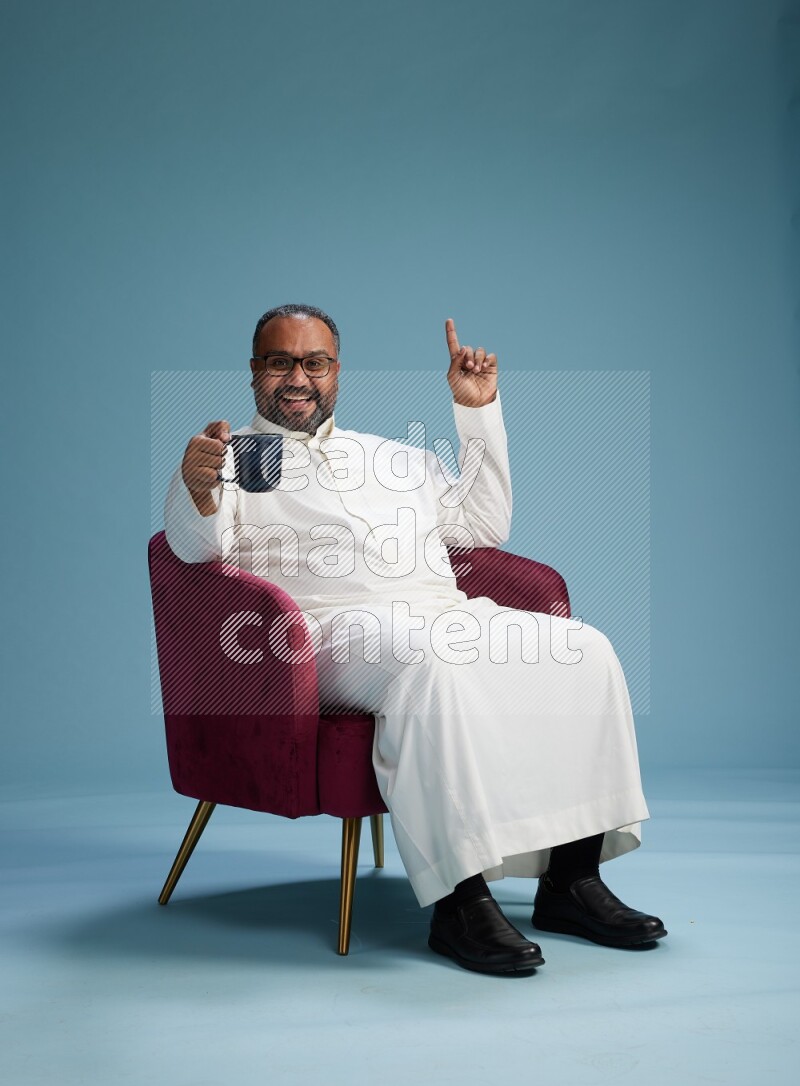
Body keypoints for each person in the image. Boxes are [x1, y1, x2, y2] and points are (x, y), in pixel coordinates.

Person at [164, 302, 667, 976]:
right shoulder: (235, 461)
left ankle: (571, 880)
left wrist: (478, 412)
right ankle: (460, 902)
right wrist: (197, 487)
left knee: (583, 650)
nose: (297, 377)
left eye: (313, 362)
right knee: (433, 665)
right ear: (254, 371)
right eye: (279, 361)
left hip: (439, 610)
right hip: (326, 633)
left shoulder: (395, 456)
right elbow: (197, 553)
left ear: (336, 371)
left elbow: (483, 526)